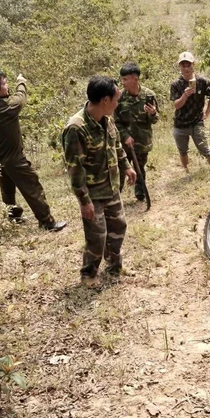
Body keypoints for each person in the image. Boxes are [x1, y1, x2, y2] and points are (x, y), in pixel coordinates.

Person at [62, 75, 137, 281]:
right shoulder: (76, 128)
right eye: (116, 99)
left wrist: (127, 167)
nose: (118, 103)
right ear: (105, 100)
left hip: (111, 187)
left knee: (118, 227)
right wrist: (84, 201)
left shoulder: (107, 119)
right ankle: (89, 275)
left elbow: (116, 147)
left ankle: (114, 266)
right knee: (97, 237)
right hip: (93, 193)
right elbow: (75, 169)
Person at [0, 69, 67, 231]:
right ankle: (47, 221)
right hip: (15, 158)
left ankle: (14, 216)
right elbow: (20, 98)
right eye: (4, 83)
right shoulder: (9, 106)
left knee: (7, 190)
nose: (7, 86)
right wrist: (21, 81)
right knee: (32, 188)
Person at [114, 62, 159, 201]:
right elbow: (115, 121)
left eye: (125, 79)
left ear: (135, 79)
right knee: (121, 168)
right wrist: (125, 135)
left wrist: (152, 113)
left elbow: (155, 120)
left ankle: (140, 193)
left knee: (140, 167)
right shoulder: (119, 97)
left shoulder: (149, 95)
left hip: (142, 141)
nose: (123, 82)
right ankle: (116, 197)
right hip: (124, 142)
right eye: (122, 79)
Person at [169, 51, 210, 171]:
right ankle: (186, 170)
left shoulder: (203, 82)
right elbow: (176, 105)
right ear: (179, 66)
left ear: (193, 65)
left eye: (188, 65)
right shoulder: (176, 84)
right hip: (180, 123)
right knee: (183, 151)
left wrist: (207, 113)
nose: (186, 68)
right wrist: (185, 95)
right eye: (183, 65)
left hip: (197, 122)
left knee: (205, 149)